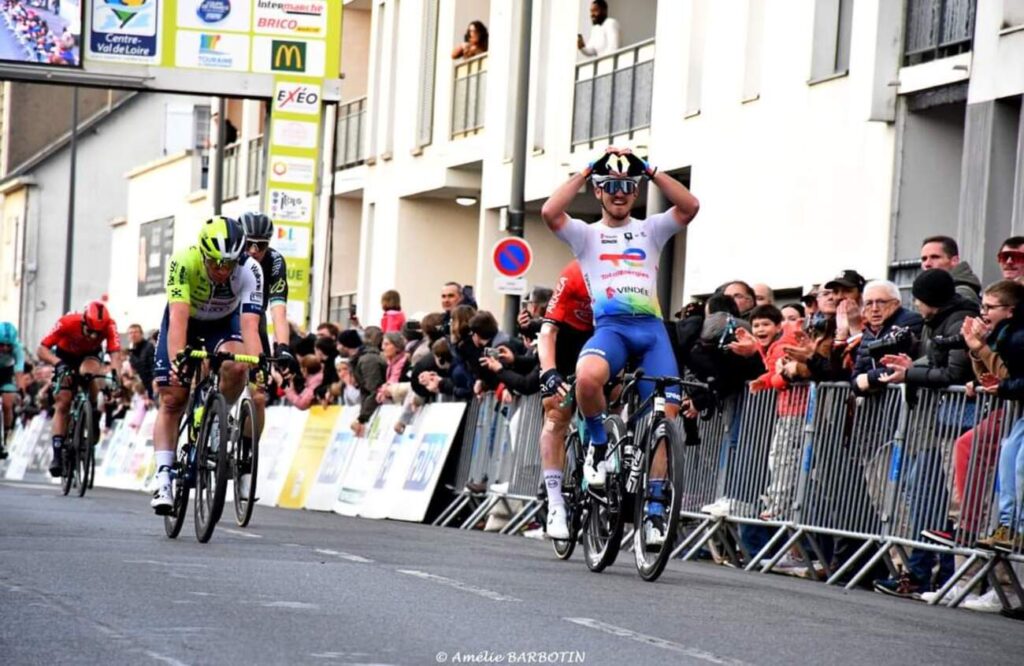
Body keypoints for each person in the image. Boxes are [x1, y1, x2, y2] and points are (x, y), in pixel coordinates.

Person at [541, 146, 699, 545]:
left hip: (651, 333)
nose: (619, 192)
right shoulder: (587, 235)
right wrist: (587, 169)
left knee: (667, 418)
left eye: (627, 186)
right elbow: (549, 213)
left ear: (636, 190)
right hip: (611, 328)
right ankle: (597, 445)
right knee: (587, 377)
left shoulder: (651, 229)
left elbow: (690, 205)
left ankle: (655, 513)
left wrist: (649, 169)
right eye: (610, 185)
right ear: (598, 191)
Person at [872, 268, 978, 598]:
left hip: (953, 423)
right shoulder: (938, 319)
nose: (916, 306)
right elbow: (934, 362)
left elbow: (952, 373)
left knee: (954, 505)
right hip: (933, 425)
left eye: (917, 300)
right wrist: (912, 364)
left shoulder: (960, 318)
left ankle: (959, 581)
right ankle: (923, 574)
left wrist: (910, 374)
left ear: (927, 301)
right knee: (922, 497)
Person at [149, 216, 264, 513]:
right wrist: (178, 361)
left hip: (223, 324)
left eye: (229, 264)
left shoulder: (250, 270)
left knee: (238, 366)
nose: (223, 270)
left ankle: (215, 416)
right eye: (216, 263)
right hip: (187, 321)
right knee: (173, 396)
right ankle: (163, 476)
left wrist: (259, 366)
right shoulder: (184, 262)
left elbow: (251, 326)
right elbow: (178, 320)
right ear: (203, 253)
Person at [535, 261, 595, 539]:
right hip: (568, 340)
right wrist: (549, 371)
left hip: (603, 338)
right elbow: (549, 330)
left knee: (616, 399)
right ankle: (556, 503)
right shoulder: (573, 274)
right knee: (557, 412)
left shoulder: (627, 270)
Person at [239, 212, 295, 492]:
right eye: (250, 243)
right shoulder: (233, 256)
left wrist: (283, 348)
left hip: (254, 322)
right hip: (223, 319)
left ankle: (247, 458)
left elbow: (278, 312)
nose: (254, 251)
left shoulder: (274, 262)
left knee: (259, 395)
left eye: (261, 245)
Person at [36, 301, 122, 476]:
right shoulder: (67, 322)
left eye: (97, 333)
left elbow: (115, 353)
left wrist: (115, 375)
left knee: (89, 373)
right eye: (89, 331)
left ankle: (94, 413)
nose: (92, 336)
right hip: (65, 356)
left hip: (89, 356)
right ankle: (58, 456)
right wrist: (57, 364)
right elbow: (42, 349)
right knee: (63, 402)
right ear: (83, 322)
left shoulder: (110, 325)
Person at [338, 328, 386, 437]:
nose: (337, 348)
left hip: (383, 406)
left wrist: (362, 418)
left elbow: (373, 390)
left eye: (339, 344)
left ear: (346, 345)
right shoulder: (359, 360)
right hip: (373, 409)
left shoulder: (367, 361)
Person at [920, 235, 981, 303]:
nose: (927, 264)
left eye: (935, 257)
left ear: (954, 260)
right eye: (924, 259)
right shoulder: (932, 290)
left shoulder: (962, 293)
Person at [0, 321, 26, 459]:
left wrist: (21, 389)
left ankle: (5, 434)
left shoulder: (18, 349)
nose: (4, 348)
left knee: (7, 404)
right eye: (1, 345)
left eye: (8, 345)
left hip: (6, 374)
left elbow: (19, 372)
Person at [126, 323, 155, 401]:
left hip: (153, 386)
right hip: (143, 388)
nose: (133, 335)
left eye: (136, 332)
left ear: (141, 334)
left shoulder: (149, 347)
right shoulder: (132, 352)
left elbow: (153, 367)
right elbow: (134, 371)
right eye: (130, 333)